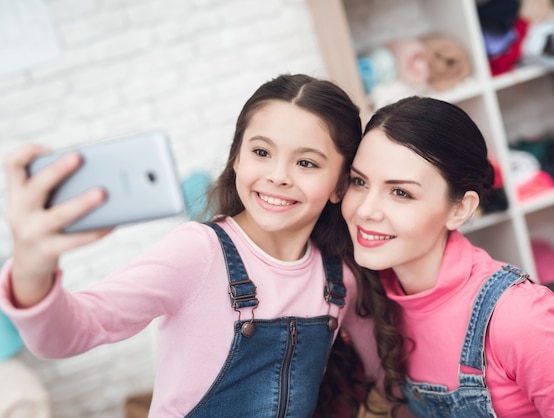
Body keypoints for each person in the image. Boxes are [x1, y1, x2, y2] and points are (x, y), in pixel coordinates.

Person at [0, 73, 368, 417]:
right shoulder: (198, 252)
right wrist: (33, 262)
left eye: (306, 162)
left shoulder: (340, 278)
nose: (278, 176)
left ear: (340, 185)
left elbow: (386, 371)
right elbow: (68, 335)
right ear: (236, 158)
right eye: (261, 152)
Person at [341, 96, 554, 417]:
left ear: (460, 209)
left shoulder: (517, 317)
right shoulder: (376, 298)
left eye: (401, 192)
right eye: (359, 181)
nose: (364, 210)